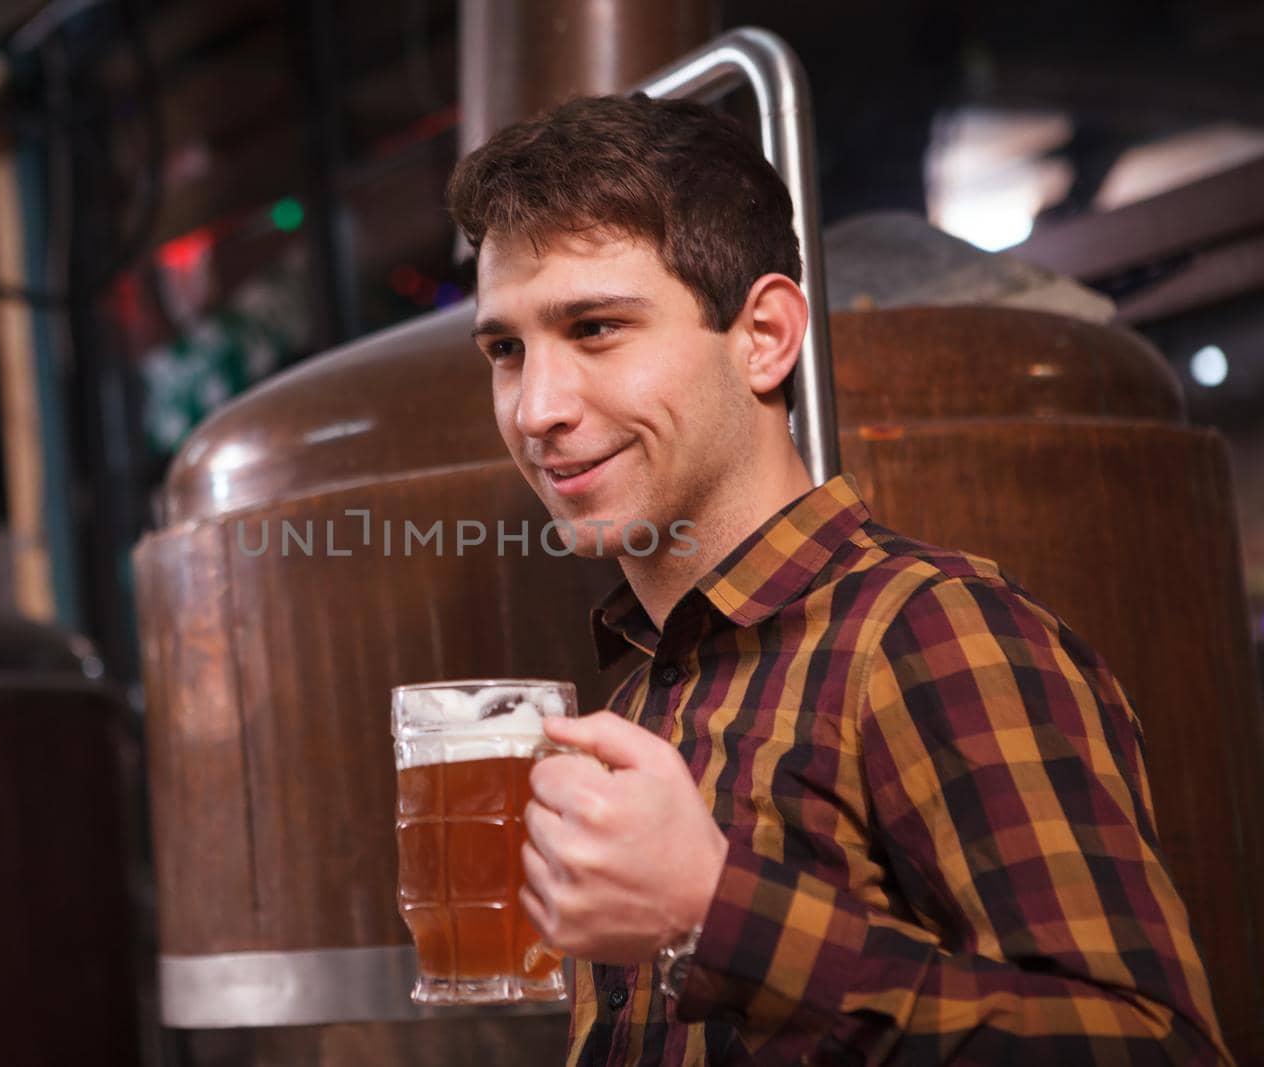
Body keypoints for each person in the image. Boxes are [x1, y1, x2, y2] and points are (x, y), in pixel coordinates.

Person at [446, 94, 1232, 1066]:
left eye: (597, 327)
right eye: (505, 349)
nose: (536, 408)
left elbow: (1156, 1048)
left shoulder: (930, 633)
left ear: (765, 335)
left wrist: (712, 911)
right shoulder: (644, 695)